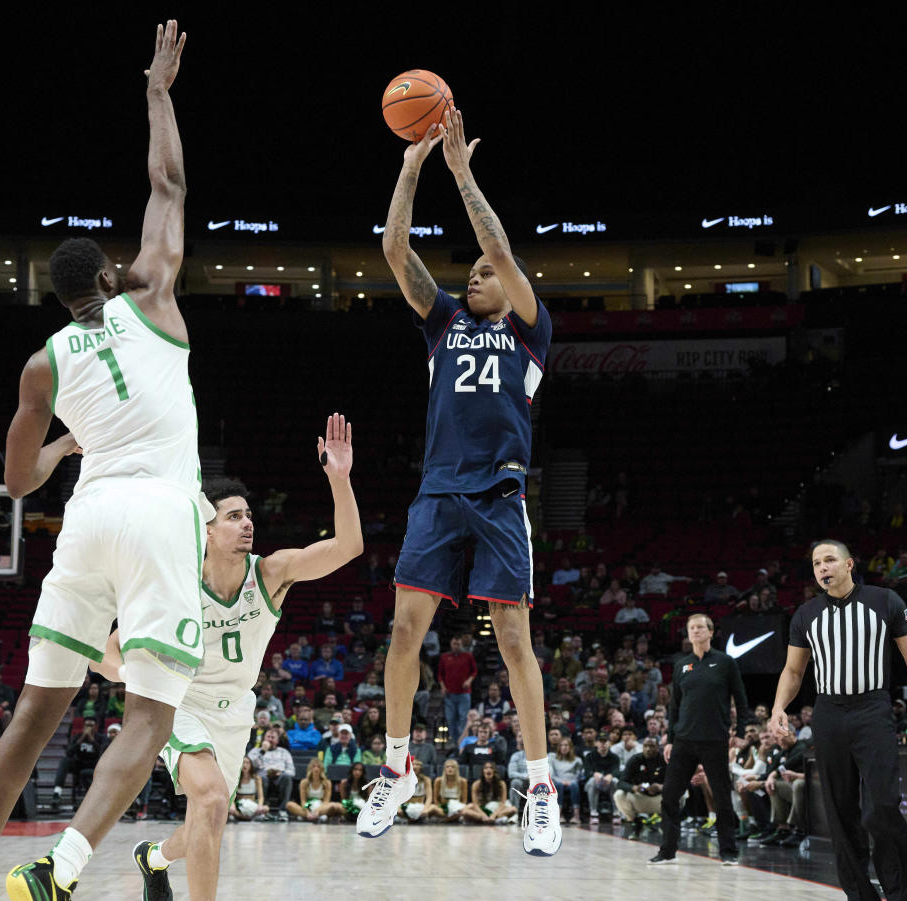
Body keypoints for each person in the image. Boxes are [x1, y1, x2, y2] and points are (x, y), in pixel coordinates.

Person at [0, 23, 201, 901]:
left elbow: (14, 484)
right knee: (151, 715)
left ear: (57, 297)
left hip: (87, 517)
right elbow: (166, 181)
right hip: (163, 512)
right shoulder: (157, 289)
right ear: (114, 271)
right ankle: (67, 865)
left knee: (31, 715)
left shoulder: (42, 361)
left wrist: (60, 441)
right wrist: (157, 92)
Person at [362, 105, 559, 857]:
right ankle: (397, 766)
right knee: (404, 629)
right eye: (470, 271)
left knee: (513, 637)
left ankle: (539, 786)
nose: (473, 275)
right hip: (439, 491)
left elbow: (500, 247)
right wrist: (411, 168)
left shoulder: (531, 330)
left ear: (507, 287)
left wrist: (461, 173)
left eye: (483, 273)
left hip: (501, 495)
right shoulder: (443, 323)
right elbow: (392, 245)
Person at [88, 418, 360, 900]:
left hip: (235, 711)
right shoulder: (175, 584)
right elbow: (102, 655)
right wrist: (142, 677)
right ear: (206, 531)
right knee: (211, 799)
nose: (247, 522)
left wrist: (339, 480)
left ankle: (153, 857)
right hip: (179, 704)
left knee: (210, 818)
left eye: (248, 514)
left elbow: (347, 548)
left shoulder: (271, 573)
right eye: (233, 517)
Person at [769, 540, 907, 901]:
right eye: (817, 563)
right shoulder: (805, 614)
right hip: (828, 712)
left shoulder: (885, 601)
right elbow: (793, 670)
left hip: (873, 709)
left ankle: (898, 892)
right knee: (839, 811)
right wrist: (777, 709)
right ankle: (859, 894)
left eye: (830, 560)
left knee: (881, 805)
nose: (823, 568)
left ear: (849, 565)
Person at [648, 613, 749, 866]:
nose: (695, 631)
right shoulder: (682, 665)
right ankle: (668, 850)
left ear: (710, 632)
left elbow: (741, 700)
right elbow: (674, 707)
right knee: (670, 796)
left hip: (715, 740)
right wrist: (670, 739)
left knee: (722, 797)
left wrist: (739, 734)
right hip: (683, 740)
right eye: (691, 627)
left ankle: (728, 851)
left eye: (700, 627)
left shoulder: (726, 663)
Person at [613, 737, 666, 832]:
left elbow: (676, 782)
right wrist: (634, 788)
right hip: (640, 798)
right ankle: (635, 821)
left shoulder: (664, 760)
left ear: (658, 747)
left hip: (660, 800)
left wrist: (661, 787)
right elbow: (621, 783)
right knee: (619, 794)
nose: (648, 749)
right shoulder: (635, 759)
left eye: (652, 746)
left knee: (683, 793)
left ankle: (668, 820)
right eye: (645, 746)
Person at [51, 717, 104, 812]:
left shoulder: (100, 738)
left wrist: (91, 740)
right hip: (79, 764)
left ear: (96, 727)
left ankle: (93, 800)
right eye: (87, 725)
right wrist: (81, 740)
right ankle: (57, 793)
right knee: (64, 761)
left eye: (91, 725)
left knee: (86, 772)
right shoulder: (78, 737)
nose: (89, 727)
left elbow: (101, 753)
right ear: (83, 726)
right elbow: (69, 752)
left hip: (93, 766)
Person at [285, 757, 346, 823]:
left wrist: (318, 811)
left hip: (321, 806)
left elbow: (326, 801)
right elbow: (303, 801)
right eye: (314, 766)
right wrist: (307, 811)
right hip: (308, 805)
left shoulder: (327, 783)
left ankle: (313, 815)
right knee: (289, 804)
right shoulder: (304, 782)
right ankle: (309, 815)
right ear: (310, 769)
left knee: (335, 806)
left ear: (321, 769)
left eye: (318, 767)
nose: (316, 769)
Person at [464, 759, 519, 824]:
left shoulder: (501, 784)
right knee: (465, 811)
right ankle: (493, 820)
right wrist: (483, 815)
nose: (488, 770)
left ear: (494, 771)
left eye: (491, 768)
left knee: (513, 809)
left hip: (497, 809)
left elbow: (502, 803)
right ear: (483, 771)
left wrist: (494, 815)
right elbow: (475, 804)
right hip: (482, 809)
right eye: (486, 768)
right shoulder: (476, 784)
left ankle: (488, 820)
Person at [549, 737, 583, 823]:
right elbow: (551, 774)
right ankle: (559, 815)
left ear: (570, 747)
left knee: (574, 785)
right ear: (559, 747)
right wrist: (560, 781)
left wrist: (571, 781)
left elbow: (579, 775)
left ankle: (576, 815)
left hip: (572, 782)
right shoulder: (553, 759)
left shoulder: (577, 760)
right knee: (558, 785)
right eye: (561, 745)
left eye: (566, 745)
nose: (564, 747)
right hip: (558, 782)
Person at [229, 756, 268, 822]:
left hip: (252, 806)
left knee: (266, 808)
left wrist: (259, 806)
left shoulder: (257, 778)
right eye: (243, 763)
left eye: (247, 763)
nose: (245, 765)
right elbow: (232, 796)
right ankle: (242, 816)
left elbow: (260, 796)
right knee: (229, 809)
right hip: (239, 807)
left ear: (251, 765)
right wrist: (232, 806)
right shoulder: (235, 779)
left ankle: (245, 817)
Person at [433, 757, 469, 823]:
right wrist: (440, 808)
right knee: (432, 808)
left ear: (456, 769)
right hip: (442, 809)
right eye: (447, 767)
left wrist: (459, 809)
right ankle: (453, 818)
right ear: (444, 769)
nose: (450, 768)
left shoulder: (463, 781)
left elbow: (464, 800)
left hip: (457, 807)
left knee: (468, 808)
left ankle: (446, 820)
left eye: (452, 767)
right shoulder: (438, 781)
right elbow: (435, 799)